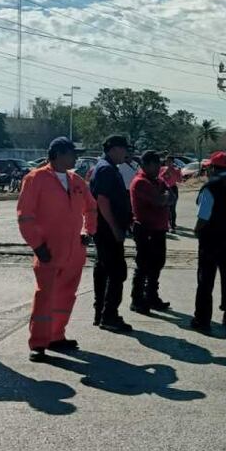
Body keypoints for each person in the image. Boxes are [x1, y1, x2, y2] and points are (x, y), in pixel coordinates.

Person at [17, 137, 97, 363]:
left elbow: (91, 208)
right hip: (48, 250)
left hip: (74, 250)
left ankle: (56, 336)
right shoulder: (35, 179)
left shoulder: (76, 180)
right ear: (59, 154)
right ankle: (39, 343)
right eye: (72, 153)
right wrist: (37, 245)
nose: (76, 157)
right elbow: (25, 216)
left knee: (66, 295)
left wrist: (87, 231)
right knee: (45, 297)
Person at [191, 151, 226, 334]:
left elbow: (204, 216)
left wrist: (196, 230)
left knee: (205, 281)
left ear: (213, 168)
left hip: (210, 241)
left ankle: (202, 320)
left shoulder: (210, 188)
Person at [90, 135, 134, 333]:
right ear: (114, 149)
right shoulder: (106, 169)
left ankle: (101, 312)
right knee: (117, 272)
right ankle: (109, 315)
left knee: (103, 269)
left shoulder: (106, 167)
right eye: (124, 149)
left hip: (104, 228)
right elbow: (102, 201)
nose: (126, 153)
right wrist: (115, 227)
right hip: (107, 229)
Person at [129, 150, 172, 314]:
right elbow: (160, 200)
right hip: (146, 228)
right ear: (146, 165)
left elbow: (172, 196)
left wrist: (166, 196)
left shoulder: (157, 181)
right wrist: (165, 197)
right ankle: (137, 299)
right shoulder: (141, 182)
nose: (158, 168)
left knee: (157, 264)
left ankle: (151, 296)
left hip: (159, 228)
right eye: (155, 164)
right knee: (144, 265)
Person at [159, 153, 183, 231]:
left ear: (173, 162)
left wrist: (173, 173)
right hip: (164, 189)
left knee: (172, 208)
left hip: (173, 189)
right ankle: (167, 223)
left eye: (170, 161)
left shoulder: (176, 170)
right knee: (166, 208)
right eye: (167, 161)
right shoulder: (162, 169)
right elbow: (159, 178)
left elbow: (179, 180)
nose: (168, 163)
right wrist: (165, 172)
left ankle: (173, 225)